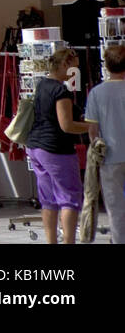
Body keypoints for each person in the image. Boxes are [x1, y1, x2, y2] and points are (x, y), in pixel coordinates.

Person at [27, 48, 90, 244]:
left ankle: (51, 241)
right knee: (69, 197)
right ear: (64, 65)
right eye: (74, 68)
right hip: (56, 150)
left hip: (35, 147)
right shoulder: (60, 90)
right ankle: (69, 241)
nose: (75, 73)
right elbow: (67, 125)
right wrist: (92, 127)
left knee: (48, 199)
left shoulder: (42, 85)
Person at [85, 44, 125, 245]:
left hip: (110, 155)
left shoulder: (96, 93)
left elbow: (92, 131)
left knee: (115, 207)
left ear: (107, 67)